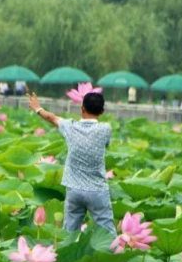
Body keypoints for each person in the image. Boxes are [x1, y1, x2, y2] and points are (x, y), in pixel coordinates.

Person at [27, 91, 116, 235]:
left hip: (74, 190)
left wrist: (37, 108)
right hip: (97, 190)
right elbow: (105, 145)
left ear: (82, 109)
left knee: (68, 233)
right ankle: (113, 256)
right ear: (102, 111)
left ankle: (65, 255)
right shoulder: (105, 129)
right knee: (107, 234)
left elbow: (51, 118)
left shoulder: (70, 126)